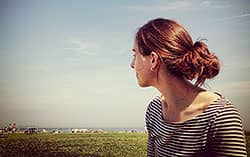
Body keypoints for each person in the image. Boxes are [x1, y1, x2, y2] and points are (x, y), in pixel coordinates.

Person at [130, 18, 247, 157]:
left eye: (135, 55)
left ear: (153, 60)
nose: (132, 64)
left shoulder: (220, 117)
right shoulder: (154, 110)